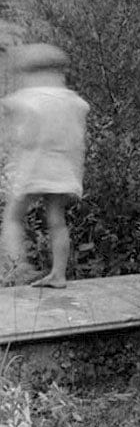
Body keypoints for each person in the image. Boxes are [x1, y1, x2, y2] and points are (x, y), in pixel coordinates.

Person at [0, 42, 89, 287]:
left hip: (33, 166)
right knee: (56, 219)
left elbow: (21, 135)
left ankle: (16, 267)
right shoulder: (73, 101)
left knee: (13, 216)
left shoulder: (25, 99)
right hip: (62, 168)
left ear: (30, 72)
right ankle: (58, 274)